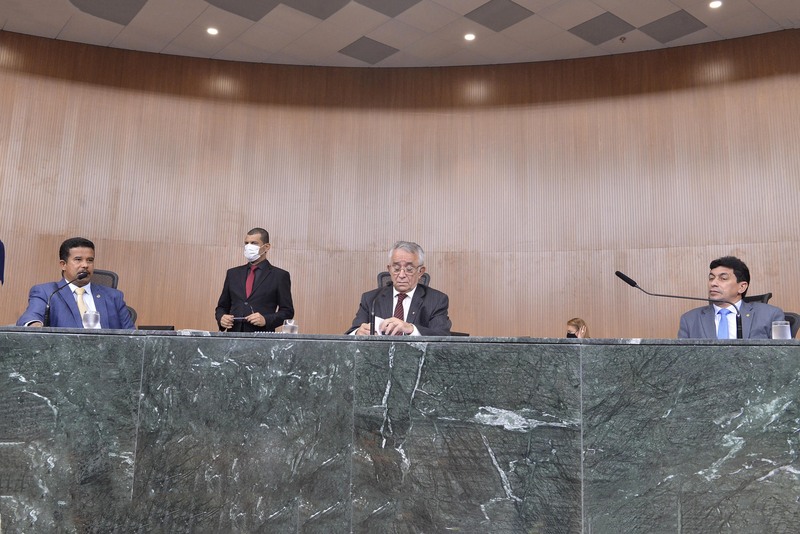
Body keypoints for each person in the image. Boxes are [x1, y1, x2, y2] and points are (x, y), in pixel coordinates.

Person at [17, 237, 135, 329]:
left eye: (90, 260)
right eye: (78, 260)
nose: (85, 265)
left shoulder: (113, 296)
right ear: (63, 264)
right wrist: (35, 325)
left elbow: (132, 335)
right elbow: (30, 317)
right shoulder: (48, 293)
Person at [347, 241, 451, 336]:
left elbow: (442, 337)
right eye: (396, 269)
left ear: (420, 272)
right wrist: (357, 333)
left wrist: (411, 329)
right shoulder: (371, 299)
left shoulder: (436, 300)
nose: (401, 275)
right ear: (389, 269)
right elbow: (350, 334)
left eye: (409, 269)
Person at [678, 256, 784, 339]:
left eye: (723, 278)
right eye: (711, 278)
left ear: (742, 287)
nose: (713, 283)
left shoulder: (770, 315)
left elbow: (782, 355)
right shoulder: (690, 320)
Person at [215, 228, 294, 332]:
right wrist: (221, 318)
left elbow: (287, 312)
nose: (248, 246)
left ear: (266, 247)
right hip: (233, 335)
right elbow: (222, 307)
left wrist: (266, 320)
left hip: (262, 337)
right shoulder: (232, 274)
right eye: (246, 243)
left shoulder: (279, 275)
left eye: (254, 243)